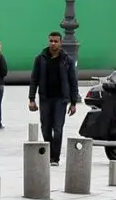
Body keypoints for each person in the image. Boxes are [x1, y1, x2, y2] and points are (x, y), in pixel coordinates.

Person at [28, 31, 80, 166]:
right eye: (51, 41)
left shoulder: (67, 60)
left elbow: (73, 81)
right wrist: (31, 99)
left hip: (60, 99)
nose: (53, 43)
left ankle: (55, 158)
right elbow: (34, 79)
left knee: (57, 129)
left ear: (60, 42)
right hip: (45, 98)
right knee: (45, 128)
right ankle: (49, 154)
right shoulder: (40, 58)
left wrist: (73, 102)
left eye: (56, 41)